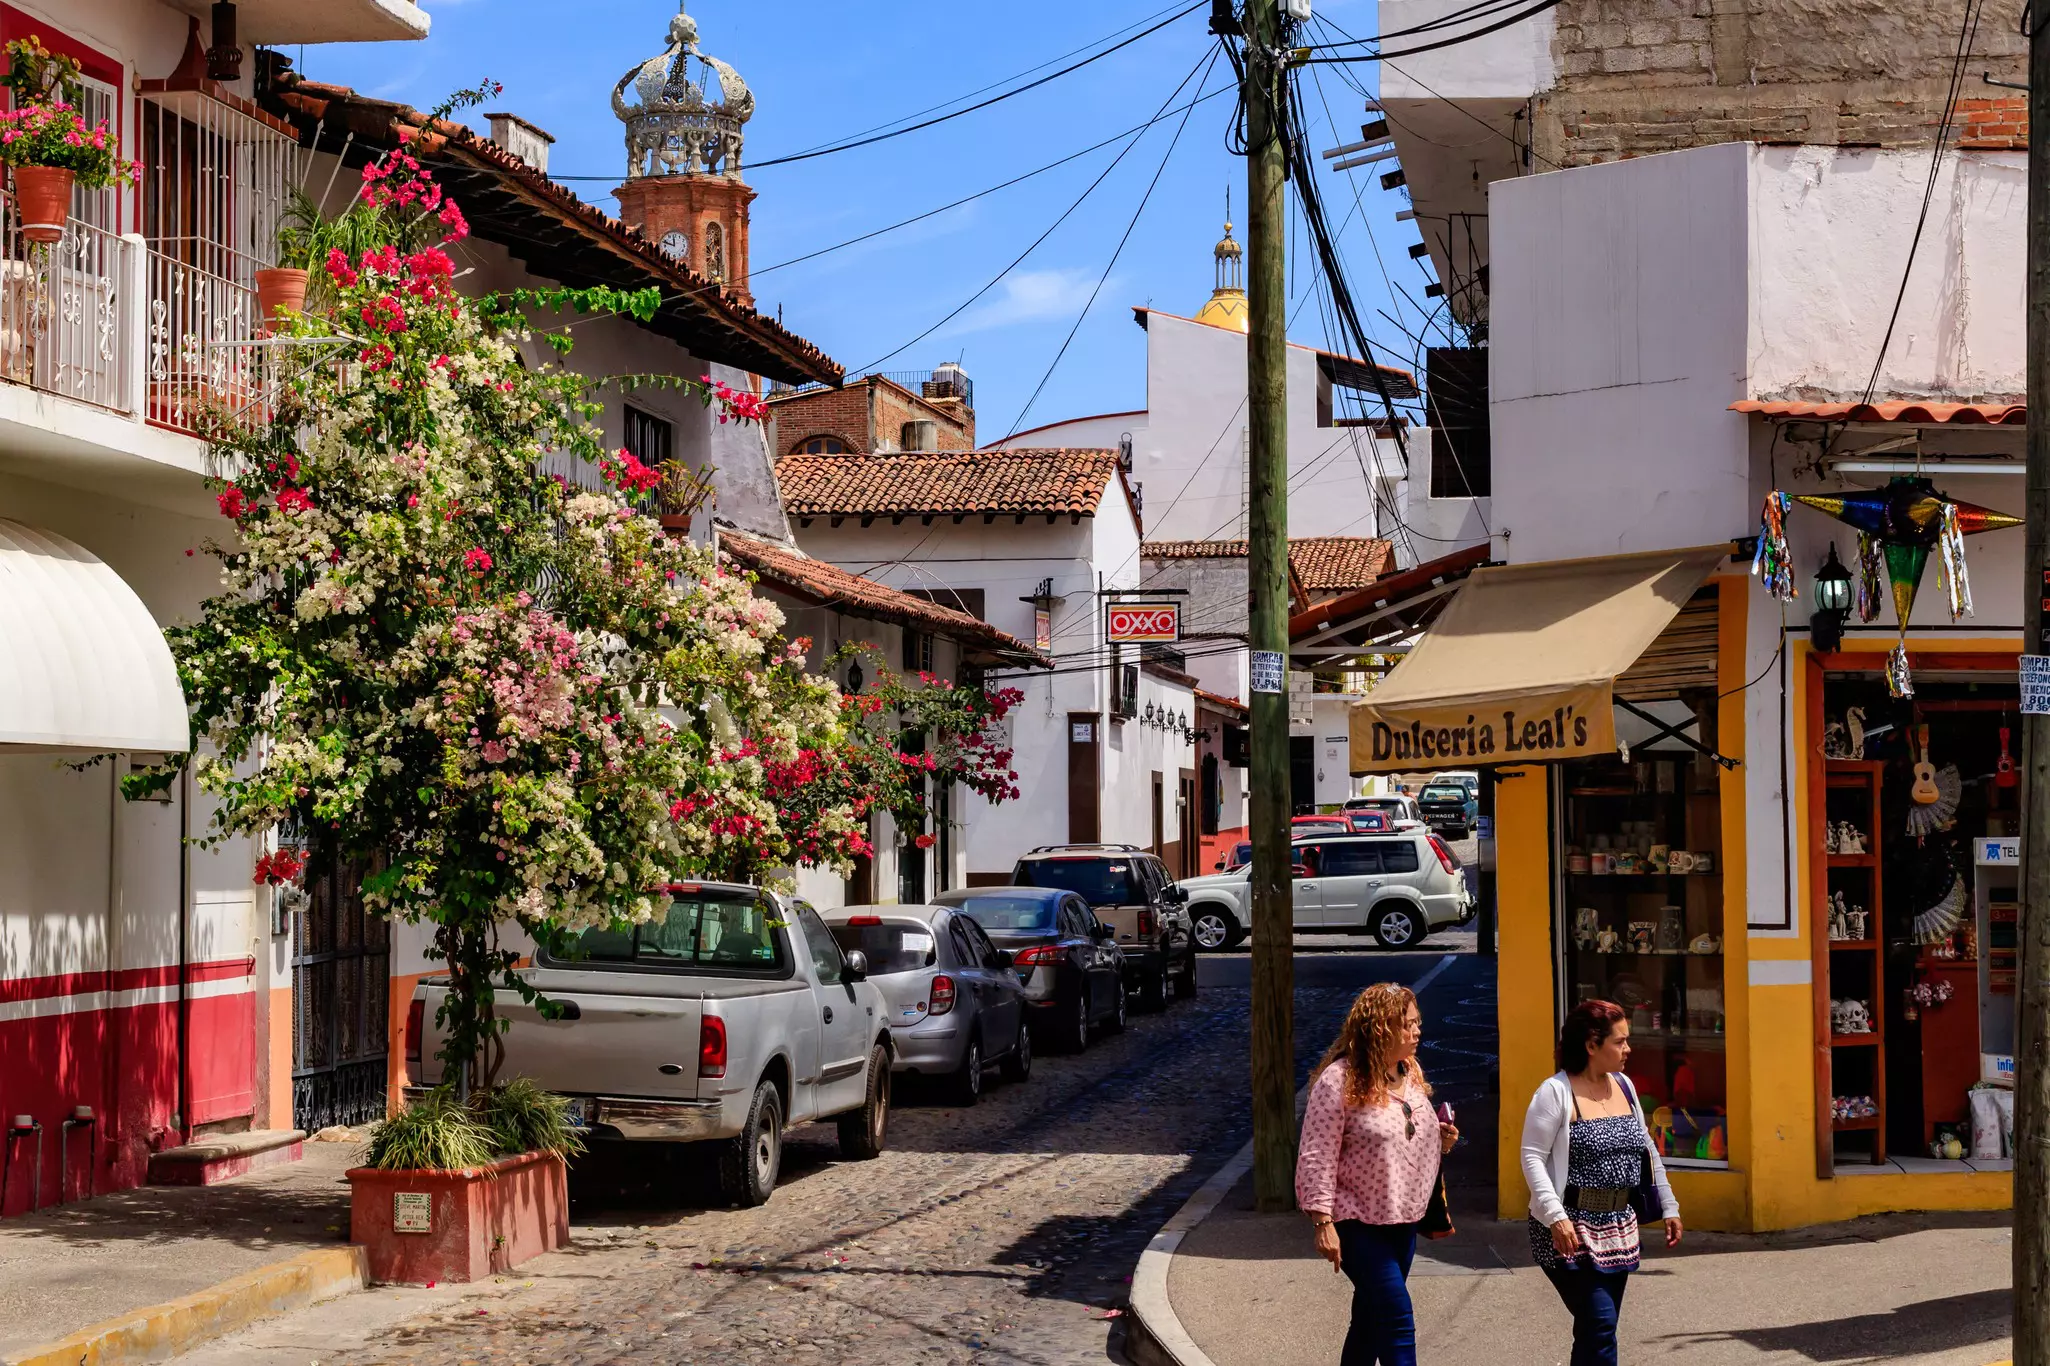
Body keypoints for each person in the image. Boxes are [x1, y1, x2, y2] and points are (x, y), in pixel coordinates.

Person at [1296, 983, 1460, 1366]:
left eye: (1418, 1023)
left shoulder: (1410, 1071)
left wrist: (1441, 1140)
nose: (1417, 1032)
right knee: (1397, 1318)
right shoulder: (1338, 1081)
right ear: (1380, 1028)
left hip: (1403, 1220)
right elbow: (1316, 1153)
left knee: (1370, 1322)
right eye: (1407, 1025)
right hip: (1355, 1222)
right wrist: (1322, 1221)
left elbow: (1409, 1132)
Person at [1520, 1000, 1683, 1366]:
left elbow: (1646, 1149)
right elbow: (1531, 1157)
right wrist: (1555, 1216)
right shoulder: (1554, 1093)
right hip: (1568, 1230)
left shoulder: (1624, 1086)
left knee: (1594, 1331)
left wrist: (1669, 1205)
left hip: (1618, 1227)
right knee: (1600, 1323)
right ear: (1592, 1045)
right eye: (1620, 1042)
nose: (1628, 1049)